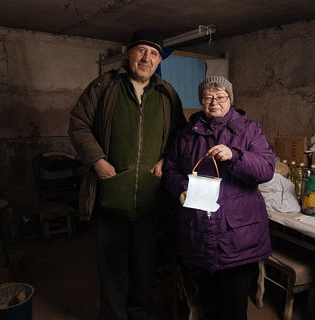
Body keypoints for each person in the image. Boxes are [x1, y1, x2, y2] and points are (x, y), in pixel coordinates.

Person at [68, 29, 186, 320]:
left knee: (144, 264)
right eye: (141, 50)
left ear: (159, 60)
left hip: (149, 197)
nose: (147, 58)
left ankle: (139, 314)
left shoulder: (167, 93)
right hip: (111, 195)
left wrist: (164, 159)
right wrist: (96, 159)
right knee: (112, 266)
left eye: (154, 53)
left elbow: (180, 135)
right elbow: (78, 124)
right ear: (128, 53)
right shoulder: (104, 86)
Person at [162, 76, 275, 320]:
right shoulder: (186, 135)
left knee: (233, 309)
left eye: (220, 96)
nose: (214, 102)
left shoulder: (249, 130)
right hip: (198, 234)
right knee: (207, 305)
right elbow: (169, 170)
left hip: (238, 237)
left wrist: (235, 155)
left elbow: (266, 170)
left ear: (230, 99)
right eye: (208, 97)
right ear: (201, 101)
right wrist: (182, 187)